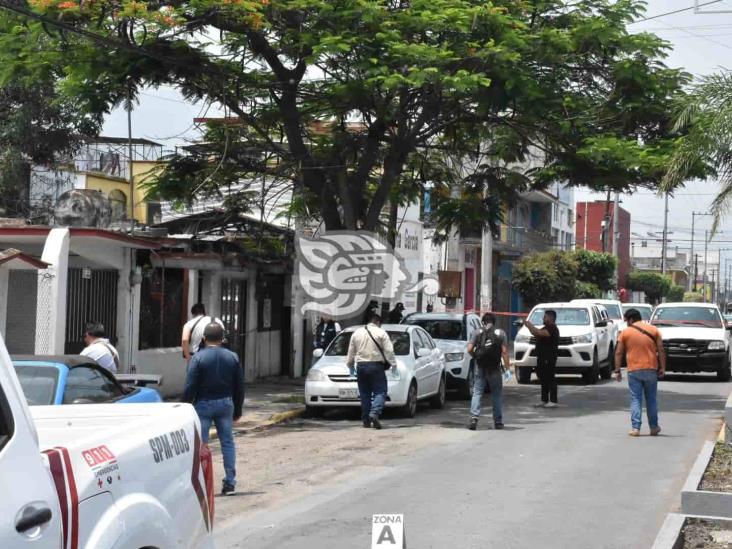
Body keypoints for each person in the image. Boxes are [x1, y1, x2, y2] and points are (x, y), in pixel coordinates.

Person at [184, 323, 245, 495]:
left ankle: (203, 483)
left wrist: (185, 405)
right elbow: (239, 386)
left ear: (204, 338)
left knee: (202, 445)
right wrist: (238, 410)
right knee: (227, 443)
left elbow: (190, 386)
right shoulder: (232, 357)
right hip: (226, 404)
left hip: (203, 405)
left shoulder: (198, 358)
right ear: (222, 338)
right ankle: (230, 482)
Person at [614, 308, 666, 437]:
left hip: (634, 370)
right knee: (651, 399)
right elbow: (661, 349)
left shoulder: (625, 333)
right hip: (651, 369)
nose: (626, 323)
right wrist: (663, 368)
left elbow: (619, 352)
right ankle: (654, 427)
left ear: (631, 319)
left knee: (636, 399)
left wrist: (617, 370)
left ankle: (636, 428)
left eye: (627, 320)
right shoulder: (654, 330)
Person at [346, 313, 396, 429]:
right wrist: (393, 364)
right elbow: (389, 350)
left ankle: (366, 420)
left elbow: (351, 351)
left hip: (361, 366)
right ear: (378, 322)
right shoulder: (381, 333)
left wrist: (350, 365)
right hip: (376, 366)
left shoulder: (357, 333)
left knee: (364, 394)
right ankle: (375, 413)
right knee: (380, 391)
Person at [467, 312, 510, 430]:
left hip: (480, 366)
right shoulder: (501, 333)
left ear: (483, 322)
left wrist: (475, 356)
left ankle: (474, 418)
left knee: (477, 392)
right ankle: (498, 421)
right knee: (496, 394)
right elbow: (505, 352)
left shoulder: (477, 332)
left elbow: (469, 349)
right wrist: (507, 369)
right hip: (495, 368)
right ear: (494, 322)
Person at [525, 310, 560, 408]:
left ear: (551, 318)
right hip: (541, 357)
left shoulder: (552, 328)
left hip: (549, 357)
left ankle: (553, 400)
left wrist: (530, 325)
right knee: (543, 378)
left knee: (550, 377)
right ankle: (544, 399)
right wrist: (528, 327)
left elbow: (540, 333)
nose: (543, 319)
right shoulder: (545, 327)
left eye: (545, 317)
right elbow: (536, 333)